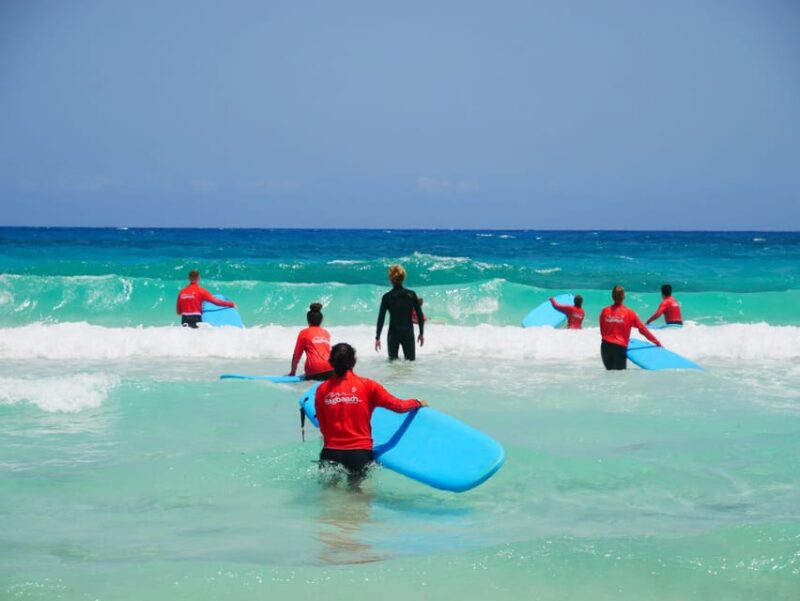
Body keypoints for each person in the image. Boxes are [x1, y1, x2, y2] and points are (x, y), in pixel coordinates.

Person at [315, 343, 427, 485]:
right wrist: (417, 402)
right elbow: (398, 406)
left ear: (331, 362)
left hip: (330, 452)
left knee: (329, 496)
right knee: (357, 497)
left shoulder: (322, 390)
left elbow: (323, 426)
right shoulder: (368, 385)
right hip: (358, 454)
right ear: (353, 361)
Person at [599, 285, 661, 370]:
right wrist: (656, 342)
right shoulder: (630, 313)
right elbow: (642, 329)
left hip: (605, 347)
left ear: (612, 296)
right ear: (624, 297)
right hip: (619, 348)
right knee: (620, 377)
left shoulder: (604, 311)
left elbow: (602, 329)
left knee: (610, 375)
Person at [375, 265, 425, 360]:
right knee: (410, 363)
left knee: (393, 364)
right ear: (403, 278)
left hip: (393, 334)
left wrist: (377, 337)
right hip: (408, 333)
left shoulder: (387, 297)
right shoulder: (411, 294)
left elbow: (381, 318)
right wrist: (421, 333)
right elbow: (419, 315)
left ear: (391, 279)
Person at [289, 303, 333, 381]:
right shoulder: (326, 333)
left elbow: (297, 355)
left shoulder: (304, 332)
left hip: (314, 370)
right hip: (331, 368)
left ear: (308, 320)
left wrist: (292, 372)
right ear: (321, 320)